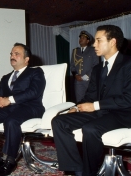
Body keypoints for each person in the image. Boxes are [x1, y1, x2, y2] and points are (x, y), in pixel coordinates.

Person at [51, 25, 131, 176]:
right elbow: (90, 95)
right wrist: (77, 107)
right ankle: (76, 170)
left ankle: (90, 173)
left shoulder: (128, 64)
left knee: (90, 128)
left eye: (99, 40)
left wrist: (94, 106)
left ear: (113, 41)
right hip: (101, 112)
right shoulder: (98, 68)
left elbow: (128, 99)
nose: (94, 44)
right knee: (59, 121)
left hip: (123, 114)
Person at [0, 43, 46, 176]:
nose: (12, 56)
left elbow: (34, 92)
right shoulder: (5, 78)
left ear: (26, 59)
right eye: (11, 54)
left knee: (11, 121)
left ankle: (10, 160)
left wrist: (10, 100)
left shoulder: (35, 72)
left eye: (17, 54)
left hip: (31, 107)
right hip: (9, 108)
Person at [70, 30, 99, 103]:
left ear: (88, 41)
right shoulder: (75, 51)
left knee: (91, 101)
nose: (81, 39)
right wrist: (75, 75)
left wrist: (87, 75)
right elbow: (72, 65)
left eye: (83, 38)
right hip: (78, 81)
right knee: (79, 101)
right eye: (80, 38)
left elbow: (96, 65)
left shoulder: (93, 50)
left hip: (89, 80)